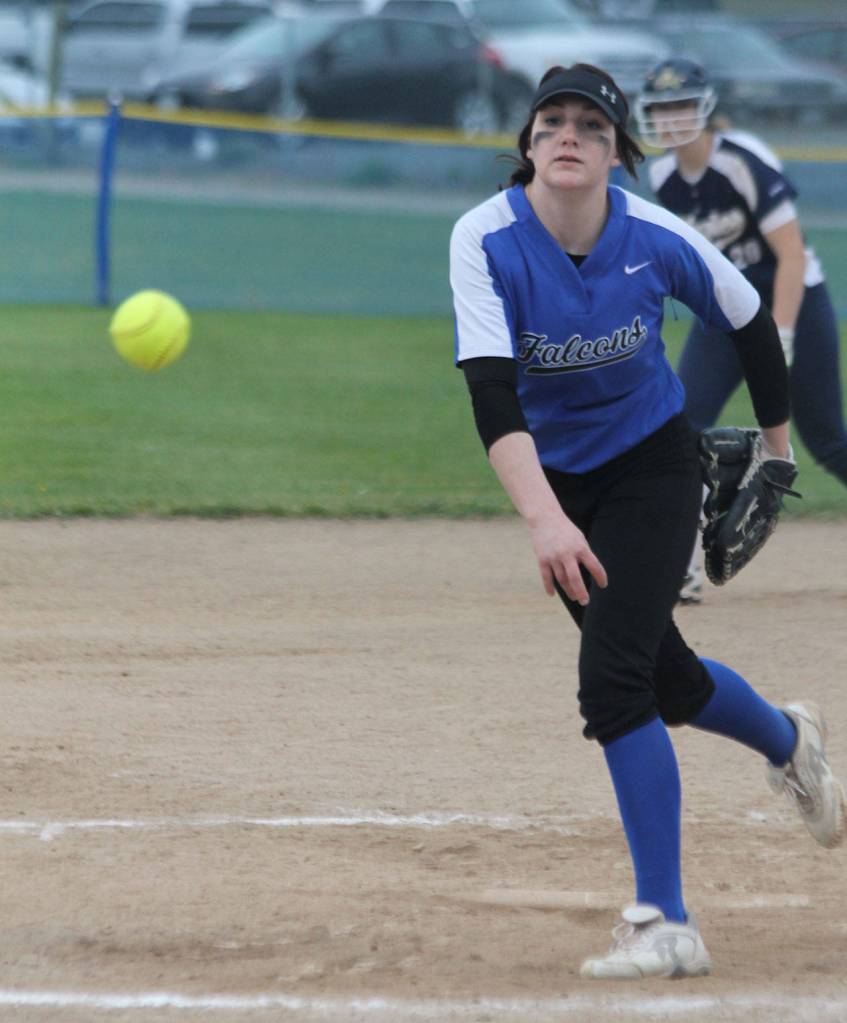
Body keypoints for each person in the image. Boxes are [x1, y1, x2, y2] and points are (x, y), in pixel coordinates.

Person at [449, 62, 846, 980]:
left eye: (590, 124)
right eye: (551, 122)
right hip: (560, 486)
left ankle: (666, 919)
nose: (568, 137)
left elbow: (749, 321)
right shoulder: (484, 238)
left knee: (614, 680)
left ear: (617, 152)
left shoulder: (654, 234)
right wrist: (546, 521)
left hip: (654, 466)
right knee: (664, 676)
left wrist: (778, 450)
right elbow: (491, 395)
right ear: (528, 146)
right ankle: (792, 741)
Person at [635, 58, 847, 604]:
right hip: (727, 314)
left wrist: (780, 335)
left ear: (705, 108)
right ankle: (676, 564)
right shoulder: (662, 176)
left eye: (682, 104)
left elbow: (793, 258)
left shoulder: (740, 161)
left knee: (825, 439)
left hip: (794, 304)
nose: (673, 117)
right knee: (682, 429)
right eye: (662, 108)